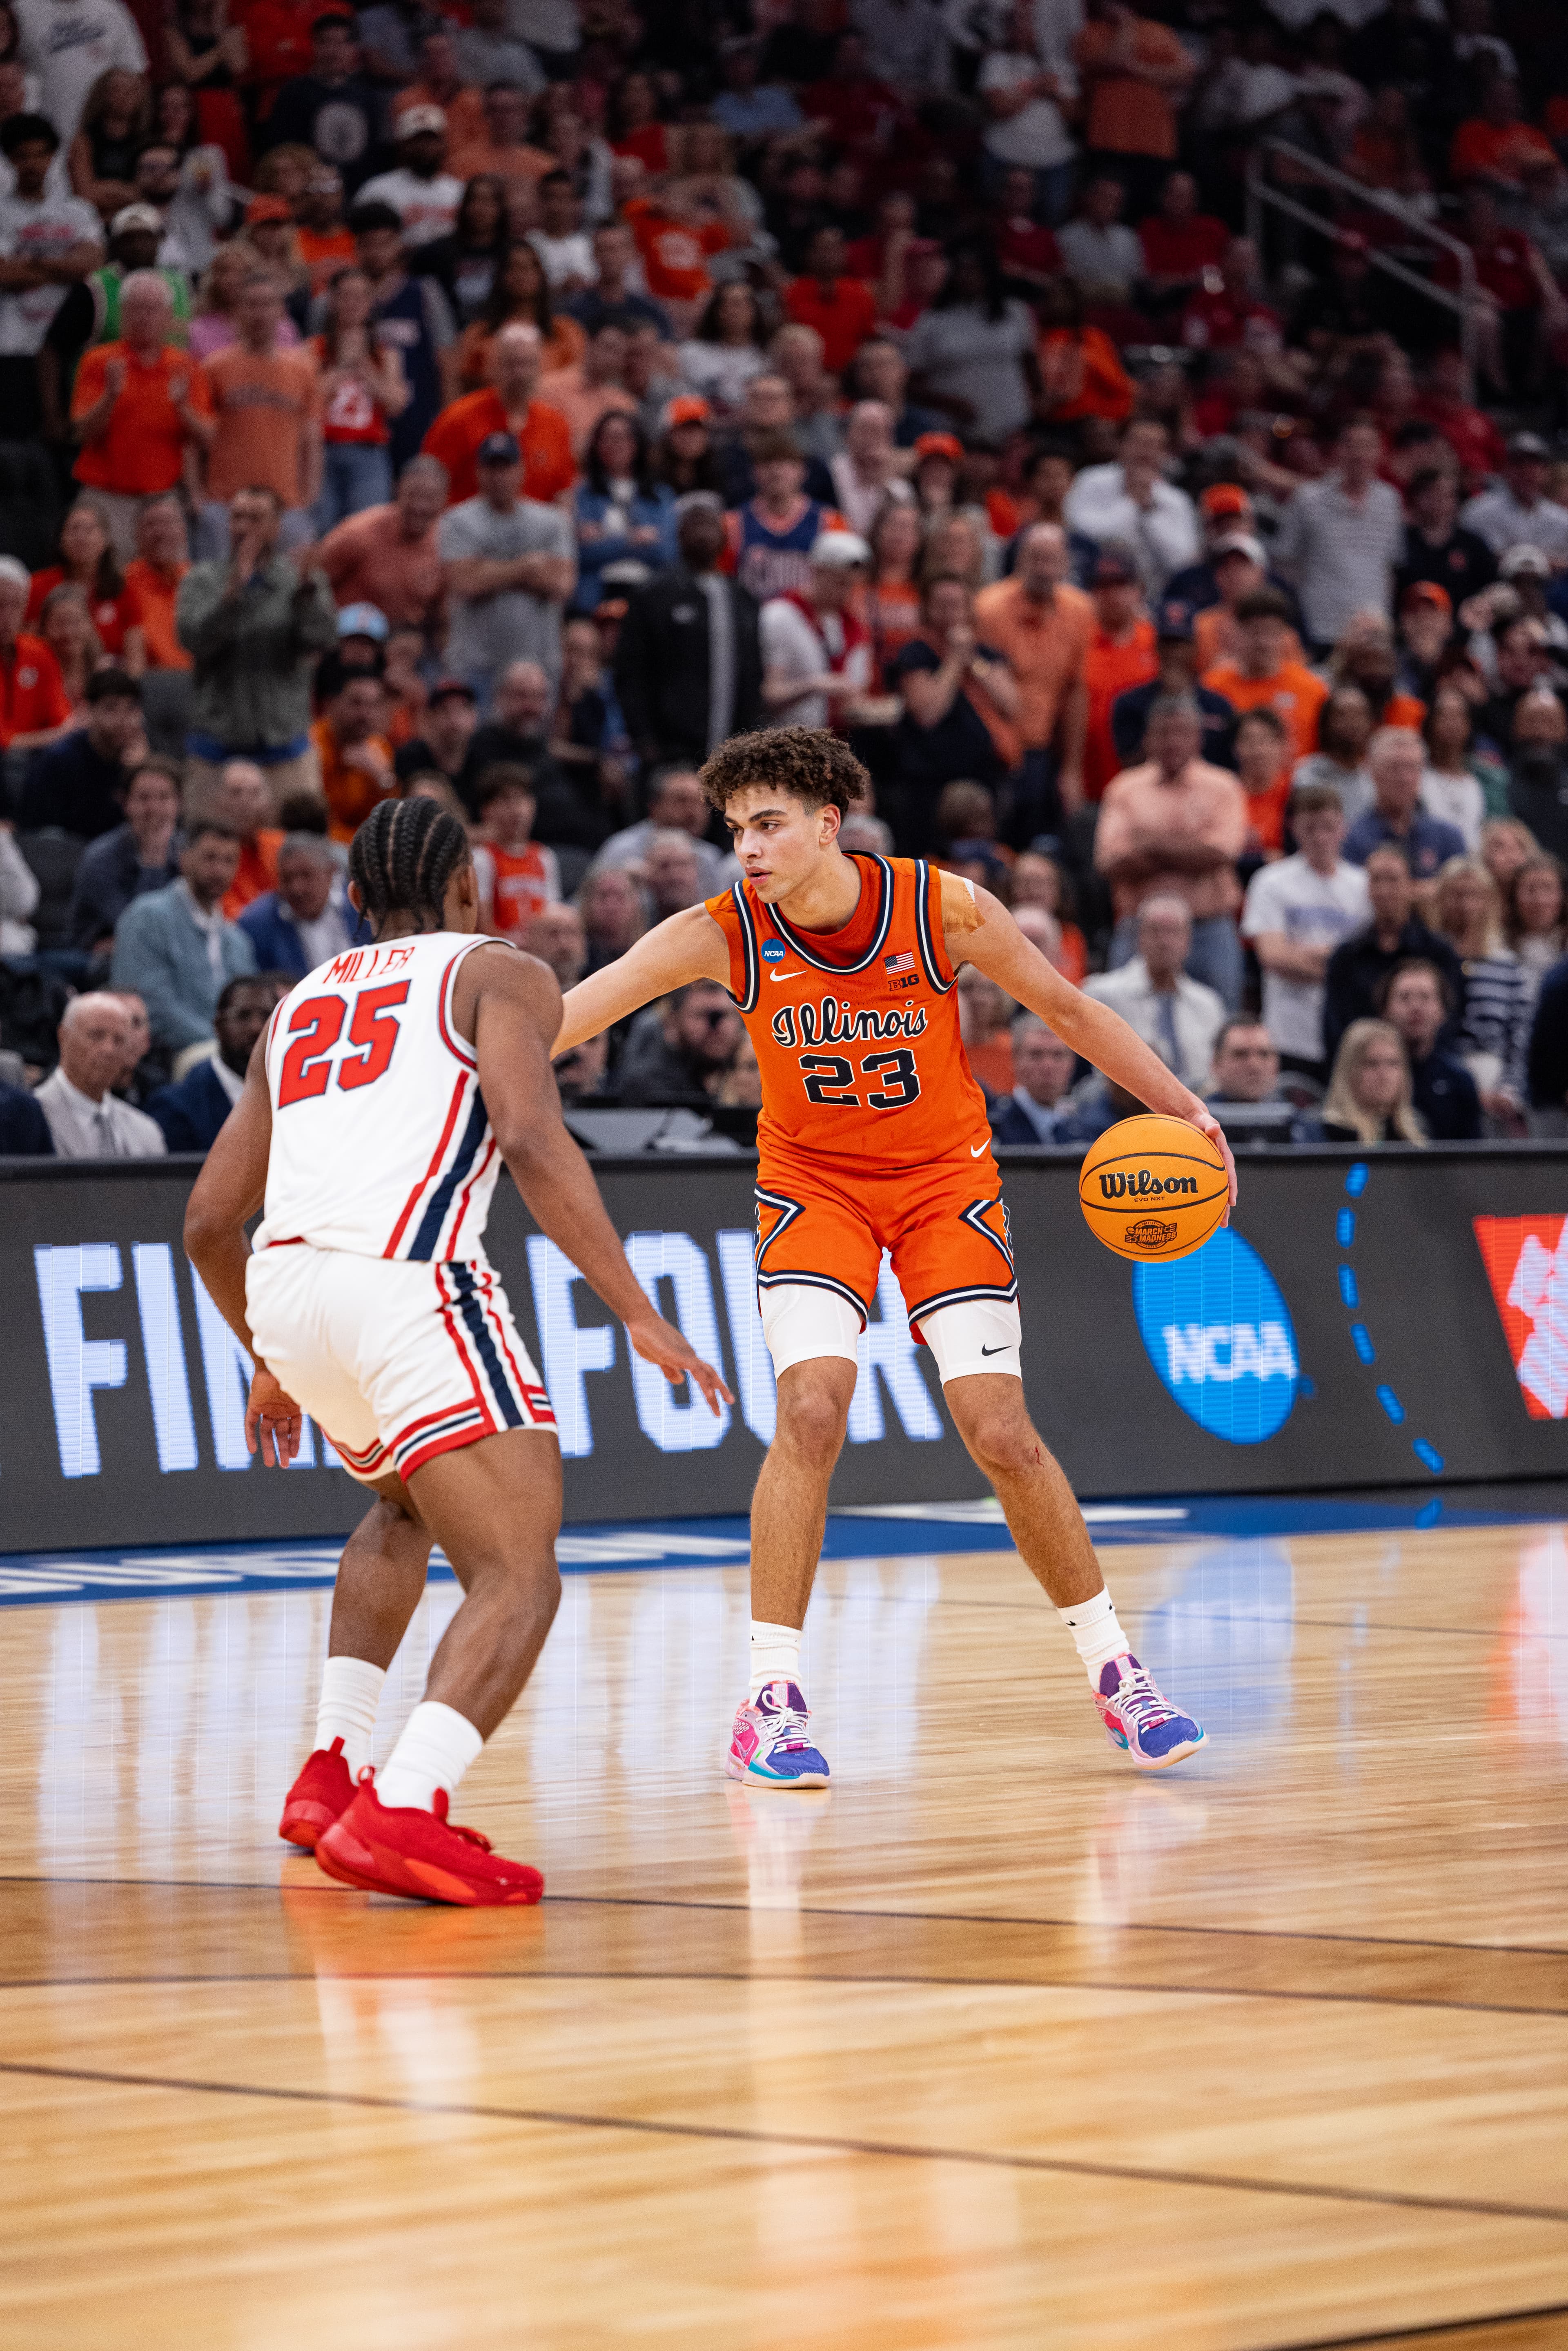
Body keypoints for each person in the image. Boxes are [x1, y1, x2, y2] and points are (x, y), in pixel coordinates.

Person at [555, 724, 1223, 1775]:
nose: (749, 848)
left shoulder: (938, 906)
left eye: (769, 824)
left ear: (829, 824)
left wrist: (1183, 1108)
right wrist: (447, 1054)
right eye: (735, 830)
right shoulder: (721, 929)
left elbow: (1067, 1007)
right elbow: (567, 1016)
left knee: (999, 1430)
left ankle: (1117, 1671)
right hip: (811, 1187)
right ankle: (769, 1701)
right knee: (811, 1410)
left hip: (944, 1185)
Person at [185, 793, 723, 1902]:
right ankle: (406, 1801)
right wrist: (635, 1305)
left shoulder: (295, 1003)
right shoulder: (497, 970)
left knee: (402, 1506)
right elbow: (528, 1133)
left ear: (352, 897)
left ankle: (332, 1771)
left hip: (291, 1295)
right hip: (410, 1281)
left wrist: (270, 1358)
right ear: (468, 888)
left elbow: (205, 1222)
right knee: (518, 1573)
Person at [177, 485, 338, 809]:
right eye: (237, 518)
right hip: (216, 749)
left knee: (300, 837)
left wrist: (306, 597)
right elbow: (192, 640)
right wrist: (232, 597)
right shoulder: (202, 580)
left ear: (276, 527)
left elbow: (323, 640)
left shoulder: (302, 580)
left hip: (285, 749)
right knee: (207, 837)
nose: (243, 528)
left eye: (255, 519)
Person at [1094, 693, 1248, 1009]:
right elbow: (1111, 863)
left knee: (1221, 1022)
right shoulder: (1125, 788)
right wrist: (1192, 845)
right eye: (1164, 733)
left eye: (1182, 732)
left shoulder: (1224, 787)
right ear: (1148, 739)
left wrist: (1149, 843)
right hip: (1138, 929)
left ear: (1198, 738)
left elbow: (1221, 855)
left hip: (1208, 929)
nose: (1173, 742)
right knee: (1119, 1026)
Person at [67, 270, 213, 558]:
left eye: (152, 309)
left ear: (168, 316)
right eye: (136, 309)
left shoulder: (186, 367)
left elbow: (208, 438)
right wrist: (110, 396)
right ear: (123, 314)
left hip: (164, 497)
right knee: (107, 574)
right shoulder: (99, 362)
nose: (144, 317)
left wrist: (183, 408)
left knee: (170, 574)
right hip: (107, 496)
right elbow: (83, 432)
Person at [1241, 784, 1370, 1082]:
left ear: (1343, 828)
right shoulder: (1272, 882)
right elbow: (1273, 956)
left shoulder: (1362, 885)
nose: (1320, 838)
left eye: (1328, 827)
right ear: (1294, 829)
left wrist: (1307, 956)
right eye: (1311, 828)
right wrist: (1341, 965)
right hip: (1289, 1031)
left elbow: (1368, 960)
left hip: (1348, 1031)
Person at [438, 427, 575, 703]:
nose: (499, 477)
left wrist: (487, 570)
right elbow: (465, 582)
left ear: (521, 471)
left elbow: (562, 583)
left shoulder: (552, 521)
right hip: (476, 664)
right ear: (478, 472)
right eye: (491, 468)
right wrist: (526, 567)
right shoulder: (457, 521)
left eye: (506, 468)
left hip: (538, 665)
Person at [973, 521, 1093, 832]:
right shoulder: (989, 608)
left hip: (1045, 748)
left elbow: (1076, 691)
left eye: (1051, 559)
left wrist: (1072, 769)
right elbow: (977, 687)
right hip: (994, 748)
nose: (1043, 569)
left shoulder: (1080, 611)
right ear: (1020, 560)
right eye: (1036, 558)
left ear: (1066, 564)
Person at [194, 272, 322, 554]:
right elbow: (193, 440)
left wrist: (309, 495)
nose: (260, 313)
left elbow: (312, 438)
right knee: (217, 578)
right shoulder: (213, 368)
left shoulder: (304, 369)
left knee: (291, 578)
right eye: (252, 305)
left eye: (267, 304)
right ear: (238, 311)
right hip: (225, 503)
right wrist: (197, 496)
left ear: (280, 311)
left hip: (287, 504)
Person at [110, 818, 258, 1052]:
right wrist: (220, 1045)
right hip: (167, 1054)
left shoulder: (238, 939)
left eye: (229, 861)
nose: (219, 870)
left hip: (230, 1054)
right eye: (210, 858)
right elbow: (151, 1005)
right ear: (184, 858)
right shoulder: (147, 917)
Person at [0, 112, 103, 437]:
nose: (32, 164)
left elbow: (92, 264)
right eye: (22, 156)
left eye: (40, 155)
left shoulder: (78, 212)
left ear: (53, 157)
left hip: (72, 343)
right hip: (15, 344)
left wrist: (31, 261)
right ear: (10, 160)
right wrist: (65, 266)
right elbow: (4, 274)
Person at [1323, 843, 1466, 1063]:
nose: (1384, 891)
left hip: (1430, 1067)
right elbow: (1335, 1027)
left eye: (1393, 880)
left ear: (1411, 886)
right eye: (1377, 880)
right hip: (1363, 1070)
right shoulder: (1346, 956)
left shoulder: (1440, 952)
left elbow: (1453, 1018)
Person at [1274, 416, 1404, 655]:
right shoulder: (1308, 499)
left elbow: (1390, 567)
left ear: (1380, 452)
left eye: (1368, 446)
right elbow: (1284, 562)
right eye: (1352, 445)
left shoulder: (1391, 501)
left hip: (1374, 631)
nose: (1360, 455)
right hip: (1320, 628)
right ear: (1339, 450)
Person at [422, 319, 575, 509]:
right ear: (493, 367)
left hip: (536, 526)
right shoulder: (458, 419)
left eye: (527, 364)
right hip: (470, 525)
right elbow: (428, 484)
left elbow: (563, 494)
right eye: (511, 364)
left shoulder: (555, 425)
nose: (520, 374)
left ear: (539, 368)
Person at [308, 262, 409, 529]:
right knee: (322, 529)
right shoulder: (313, 350)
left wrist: (364, 365)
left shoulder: (386, 354)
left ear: (370, 303)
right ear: (332, 301)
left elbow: (396, 404)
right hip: (322, 449)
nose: (353, 304)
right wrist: (342, 365)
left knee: (367, 529)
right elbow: (307, 402)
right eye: (346, 296)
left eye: (361, 296)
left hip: (369, 452)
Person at [1430, 854, 1529, 1121]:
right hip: (1439, 1078)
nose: (1465, 905)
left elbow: (1520, 1035)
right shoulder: (1428, 959)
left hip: (1494, 1080)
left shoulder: (1507, 965)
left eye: (1474, 895)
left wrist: (1509, 1089)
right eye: (1456, 895)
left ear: (1489, 902)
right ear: (1441, 900)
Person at [314, 453, 448, 638]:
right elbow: (314, 579)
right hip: (350, 640)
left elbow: (442, 618)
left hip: (407, 643)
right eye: (413, 495)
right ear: (397, 490)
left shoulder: (447, 546)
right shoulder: (359, 533)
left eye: (430, 498)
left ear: (445, 500)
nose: (420, 507)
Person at [1062, 417, 1197, 597]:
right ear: (1122, 444)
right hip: (1093, 585)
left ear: (1165, 453)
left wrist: (1149, 513)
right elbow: (1078, 530)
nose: (1145, 452)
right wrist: (1132, 505)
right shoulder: (1092, 480)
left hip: (1156, 593)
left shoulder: (1176, 500)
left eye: (1154, 446)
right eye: (1139, 443)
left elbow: (1182, 559)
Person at [759, 529, 875, 735]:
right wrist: (815, 685)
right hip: (787, 742)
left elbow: (856, 696)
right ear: (817, 571)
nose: (846, 592)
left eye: (852, 585)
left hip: (835, 744)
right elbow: (768, 695)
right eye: (840, 583)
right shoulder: (781, 616)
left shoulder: (852, 624)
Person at [145, 972, 278, 1150]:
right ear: (218, 1026)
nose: (256, 1028)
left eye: (267, 1017)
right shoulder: (175, 1107)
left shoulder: (299, 1097)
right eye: (243, 1016)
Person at [66, 754, 183, 951]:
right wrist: (153, 860)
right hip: (99, 960)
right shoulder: (101, 858)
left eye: (164, 798)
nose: (153, 809)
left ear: (179, 804)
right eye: (143, 798)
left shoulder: (189, 852)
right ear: (126, 803)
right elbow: (141, 929)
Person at [17, 662, 145, 835]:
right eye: (111, 709)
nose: (123, 720)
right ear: (88, 711)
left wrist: (137, 774)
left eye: (131, 709)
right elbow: (41, 833)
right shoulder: (59, 762)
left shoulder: (138, 762)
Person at [35, 989, 165, 1157]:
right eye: (96, 1036)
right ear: (64, 1036)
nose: (109, 1050)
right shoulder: (29, 1119)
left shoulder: (146, 1132)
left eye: (119, 1040)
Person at [263, 12, 380, 192]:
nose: (334, 51)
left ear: (353, 49)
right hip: (309, 192)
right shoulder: (293, 93)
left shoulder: (366, 95)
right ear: (314, 46)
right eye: (326, 42)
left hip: (359, 190)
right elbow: (283, 150)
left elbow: (374, 152)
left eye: (342, 43)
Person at [1344, 726, 1466, 881]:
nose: (1404, 778)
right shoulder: (1351, 838)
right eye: (1394, 768)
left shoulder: (1448, 838)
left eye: (1411, 767)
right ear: (1372, 772)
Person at [1381, 958, 1482, 1140]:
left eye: (1425, 997)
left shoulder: (1459, 1080)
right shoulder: (1369, 1075)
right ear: (1385, 1010)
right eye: (1404, 997)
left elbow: (1474, 1151)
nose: (1415, 1007)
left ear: (1443, 1011)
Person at [596, 766, 730, 898]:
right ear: (654, 806)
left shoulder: (708, 856)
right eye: (682, 801)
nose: (692, 812)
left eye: (699, 802)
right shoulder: (623, 850)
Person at [238, 830, 360, 974]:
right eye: (287, 879)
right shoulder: (257, 925)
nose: (297, 889)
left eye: (306, 875)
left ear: (331, 871)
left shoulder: (361, 903)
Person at [470, 762, 559, 940]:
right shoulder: (482, 858)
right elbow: (482, 925)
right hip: (500, 950)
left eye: (522, 800)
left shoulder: (544, 856)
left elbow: (553, 916)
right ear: (486, 811)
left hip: (539, 950)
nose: (517, 810)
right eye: (506, 801)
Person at [356, 105, 463, 251]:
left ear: (443, 144)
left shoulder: (458, 190)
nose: (425, 147)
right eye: (417, 141)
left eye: (431, 140)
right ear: (403, 144)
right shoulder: (377, 190)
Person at [1460, 429, 1568, 564]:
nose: (1527, 472)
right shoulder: (1478, 511)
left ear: (1546, 472)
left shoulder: (1561, 520)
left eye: (1534, 465)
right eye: (1519, 464)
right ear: (1506, 469)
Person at [312, 669, 395, 842]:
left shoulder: (380, 748)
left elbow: (389, 822)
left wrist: (382, 778)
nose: (366, 715)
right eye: (356, 703)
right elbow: (317, 826)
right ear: (332, 704)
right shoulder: (313, 746)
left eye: (374, 705)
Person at [1318, 1017, 1427, 1144]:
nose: (1384, 1075)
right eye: (1372, 1064)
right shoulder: (1324, 1135)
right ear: (1348, 1070)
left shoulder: (1416, 1133)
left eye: (1393, 1063)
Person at [124, 494, 192, 674]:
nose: (160, 533)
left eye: (167, 523)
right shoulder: (123, 584)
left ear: (183, 531)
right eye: (151, 525)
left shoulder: (199, 583)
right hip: (148, 681)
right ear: (137, 535)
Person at [988, 1017, 1081, 1143]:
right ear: (1015, 1061)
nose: (1048, 1067)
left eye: (1058, 1055)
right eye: (1036, 1055)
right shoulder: (995, 1128)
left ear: (1072, 1062)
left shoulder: (1083, 1127)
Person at [1506, 689, 1568, 865]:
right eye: (1531, 721)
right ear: (1515, 727)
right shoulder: (1498, 784)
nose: (1540, 732)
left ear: (1565, 730)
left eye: (1550, 722)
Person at [394, 675, 479, 800]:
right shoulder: (409, 759)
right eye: (445, 711)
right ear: (430, 718)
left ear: (474, 716)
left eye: (461, 711)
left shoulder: (485, 758)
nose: (454, 720)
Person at [1508, 854, 1568, 1003]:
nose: (1540, 900)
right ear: (1514, 897)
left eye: (1548, 889)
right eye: (1530, 890)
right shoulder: (1498, 946)